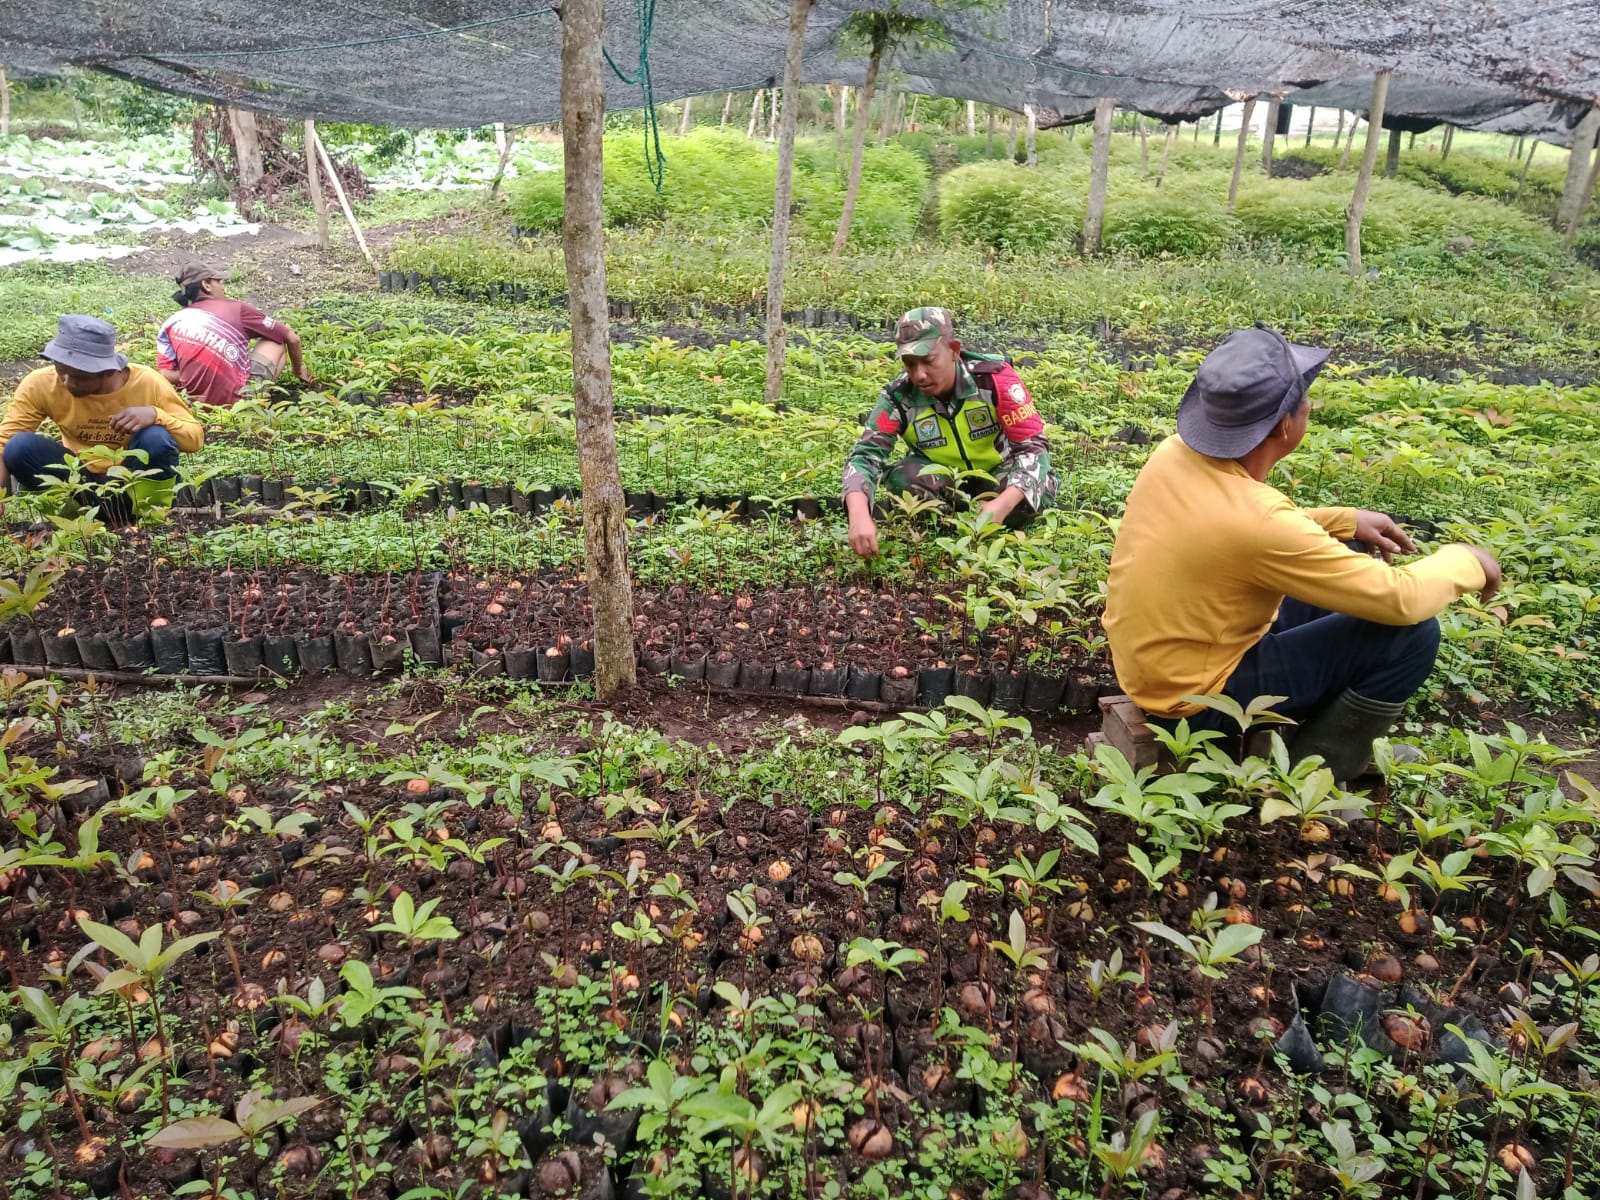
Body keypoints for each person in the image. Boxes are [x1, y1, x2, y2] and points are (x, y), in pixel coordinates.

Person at [1103, 326, 1501, 780]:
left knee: (1346, 554)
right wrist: (1471, 560)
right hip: (1195, 700)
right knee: (1413, 635)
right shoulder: (1258, 523)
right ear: (1287, 425)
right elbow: (1401, 600)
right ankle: (1315, 770)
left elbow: (1229, 529)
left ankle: (1297, 738)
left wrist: (1344, 521)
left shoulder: (1173, 454)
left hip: (1156, 664)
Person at [844, 307, 1057, 557]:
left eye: (928, 361)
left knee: (1035, 492)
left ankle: (990, 520)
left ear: (954, 350)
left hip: (998, 476)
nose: (919, 375)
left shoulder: (995, 380)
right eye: (910, 364)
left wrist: (1002, 504)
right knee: (903, 478)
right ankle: (945, 533)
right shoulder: (898, 397)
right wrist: (858, 515)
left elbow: (1034, 449)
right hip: (941, 483)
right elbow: (865, 457)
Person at [0, 315, 204, 523]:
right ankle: (89, 513)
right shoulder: (40, 384)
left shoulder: (147, 382)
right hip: (80, 483)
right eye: (61, 370)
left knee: (156, 437)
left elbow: (195, 439)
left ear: (108, 371)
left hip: (133, 480)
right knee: (19, 446)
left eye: (80, 376)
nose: (68, 382)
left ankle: (146, 514)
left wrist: (155, 415)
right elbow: (3, 443)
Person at [156, 263, 310, 407]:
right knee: (276, 341)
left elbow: (165, 374)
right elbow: (293, 339)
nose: (223, 288)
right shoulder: (236, 309)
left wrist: (196, 371)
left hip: (192, 408)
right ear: (206, 285)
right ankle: (257, 401)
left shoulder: (171, 323)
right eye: (220, 282)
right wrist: (298, 371)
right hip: (238, 404)